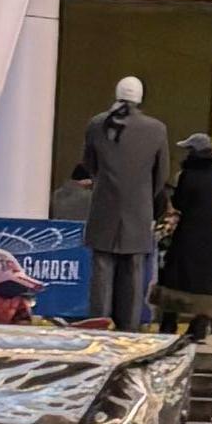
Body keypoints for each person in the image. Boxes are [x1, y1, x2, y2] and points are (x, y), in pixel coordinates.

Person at [74, 71, 171, 331]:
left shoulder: (96, 124)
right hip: (138, 211)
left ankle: (99, 326)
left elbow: (89, 164)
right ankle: (129, 331)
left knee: (102, 271)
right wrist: (143, 198)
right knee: (134, 272)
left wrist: (105, 185)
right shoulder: (157, 129)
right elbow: (161, 175)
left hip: (104, 207)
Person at [155, 133, 212, 337]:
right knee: (204, 281)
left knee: (175, 277)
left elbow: (180, 202)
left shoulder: (188, 175)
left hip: (188, 232)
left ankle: (169, 322)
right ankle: (199, 326)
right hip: (208, 236)